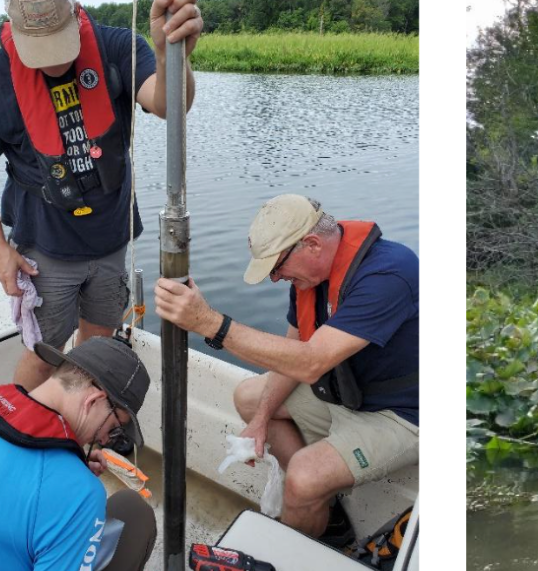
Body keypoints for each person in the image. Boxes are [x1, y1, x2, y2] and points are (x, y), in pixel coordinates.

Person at [0, 0, 201, 389]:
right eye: (40, 47)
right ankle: (23, 438)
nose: (52, 62)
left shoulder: (116, 47)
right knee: (43, 354)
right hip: (43, 249)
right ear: (11, 24)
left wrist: (168, 54)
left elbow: (168, 104)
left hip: (110, 239)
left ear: (75, 10)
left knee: (98, 347)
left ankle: (83, 431)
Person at [153, 195, 418, 544]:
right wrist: (260, 421)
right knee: (249, 398)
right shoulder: (308, 278)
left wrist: (209, 323)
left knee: (304, 476)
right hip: (347, 394)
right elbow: (291, 354)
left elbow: (311, 362)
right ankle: (322, 510)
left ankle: (303, 531)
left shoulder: (389, 273)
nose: (276, 279)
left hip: (400, 414)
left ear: (310, 244)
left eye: (277, 268)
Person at [0, 336, 170, 571]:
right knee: (135, 515)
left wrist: (68, 470)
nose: (107, 440)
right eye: (114, 428)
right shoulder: (78, 494)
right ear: (94, 401)